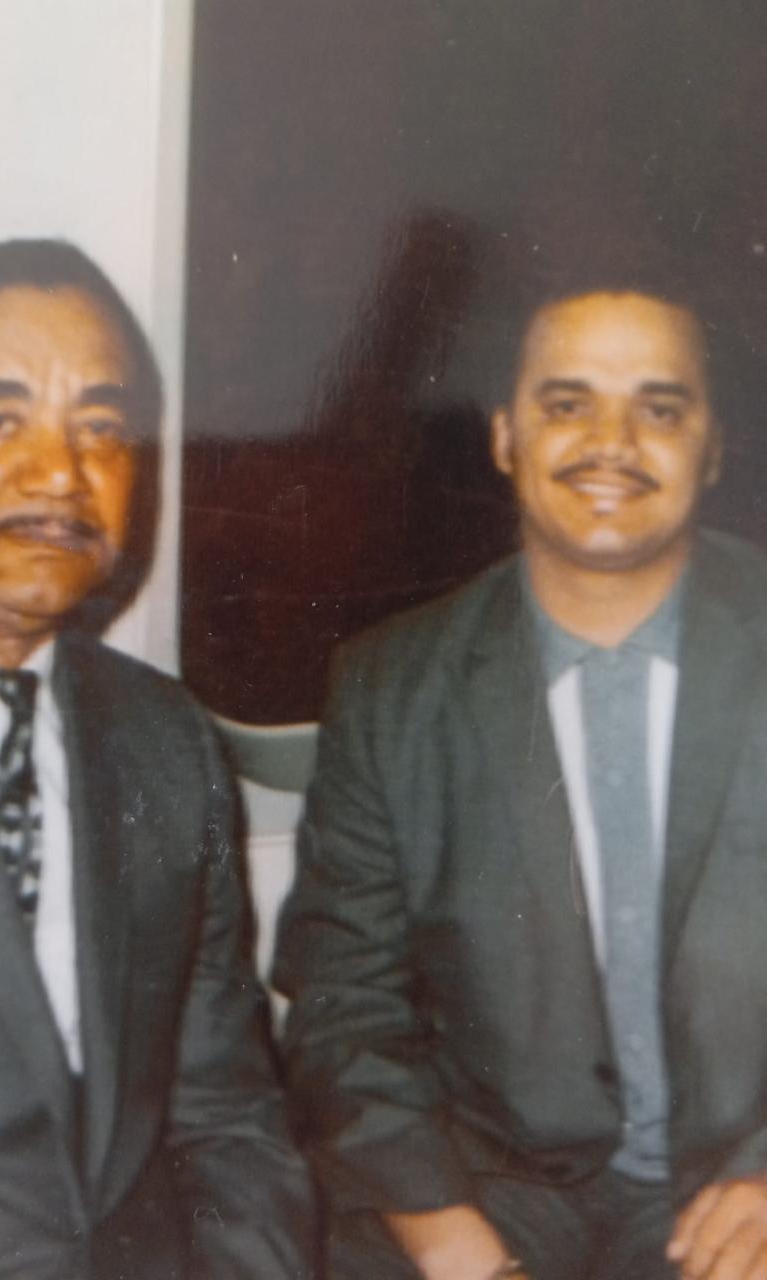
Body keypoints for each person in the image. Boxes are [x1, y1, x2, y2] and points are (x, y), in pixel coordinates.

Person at [0, 239, 314, 1280]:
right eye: (0, 420)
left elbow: (227, 1110)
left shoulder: (165, 738)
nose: (60, 474)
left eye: (103, 430)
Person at [275, 273, 767, 1280]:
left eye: (659, 408)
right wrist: (449, 1235)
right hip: (480, 1180)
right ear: (505, 436)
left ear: (712, 445)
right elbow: (342, 995)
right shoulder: (391, 682)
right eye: (567, 402)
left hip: (740, 1184)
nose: (611, 443)